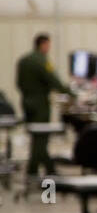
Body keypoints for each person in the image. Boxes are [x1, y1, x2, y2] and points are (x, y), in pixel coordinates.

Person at [16, 33, 70, 182]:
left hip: (27, 101)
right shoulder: (42, 61)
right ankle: (36, 171)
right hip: (40, 104)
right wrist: (71, 93)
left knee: (36, 136)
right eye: (48, 45)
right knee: (41, 138)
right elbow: (54, 81)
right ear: (43, 44)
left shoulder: (24, 61)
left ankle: (47, 169)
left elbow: (18, 83)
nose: (49, 48)